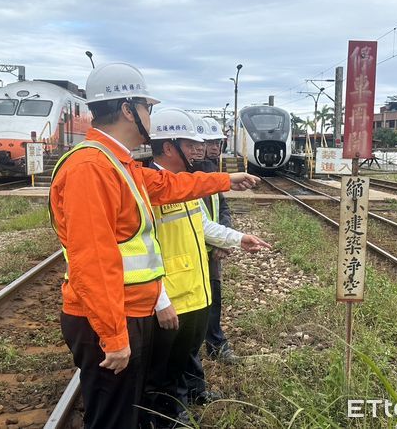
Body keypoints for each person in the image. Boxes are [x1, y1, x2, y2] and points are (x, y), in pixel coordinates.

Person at [48, 63, 261, 429]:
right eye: (147, 107)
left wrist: (226, 179)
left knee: (128, 412)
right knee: (112, 419)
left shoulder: (116, 162)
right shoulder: (90, 167)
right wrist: (114, 336)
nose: (151, 115)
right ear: (129, 109)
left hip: (131, 309)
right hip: (112, 316)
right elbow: (93, 259)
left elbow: (168, 186)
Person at [143, 108, 271, 427]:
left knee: (181, 362)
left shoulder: (182, 184)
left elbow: (203, 224)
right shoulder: (146, 188)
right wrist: (160, 300)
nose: (199, 150)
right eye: (191, 144)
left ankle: (179, 409)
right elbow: (138, 251)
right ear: (169, 146)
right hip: (169, 300)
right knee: (161, 375)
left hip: (193, 295)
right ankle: (167, 420)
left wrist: (238, 239)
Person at [199, 117, 237, 362]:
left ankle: (215, 342)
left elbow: (222, 207)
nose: (214, 147)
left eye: (218, 143)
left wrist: (223, 240)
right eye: (209, 142)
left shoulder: (214, 171)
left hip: (213, 247)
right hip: (195, 248)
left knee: (214, 294)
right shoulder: (188, 174)